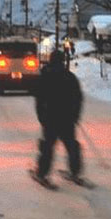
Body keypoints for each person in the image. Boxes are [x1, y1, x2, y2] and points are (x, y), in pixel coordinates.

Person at [34, 49, 83, 182]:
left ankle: (42, 173)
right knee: (72, 146)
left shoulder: (45, 76)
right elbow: (78, 98)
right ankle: (75, 171)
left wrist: (41, 116)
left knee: (47, 147)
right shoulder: (70, 77)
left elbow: (39, 97)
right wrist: (75, 115)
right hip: (67, 119)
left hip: (50, 118)